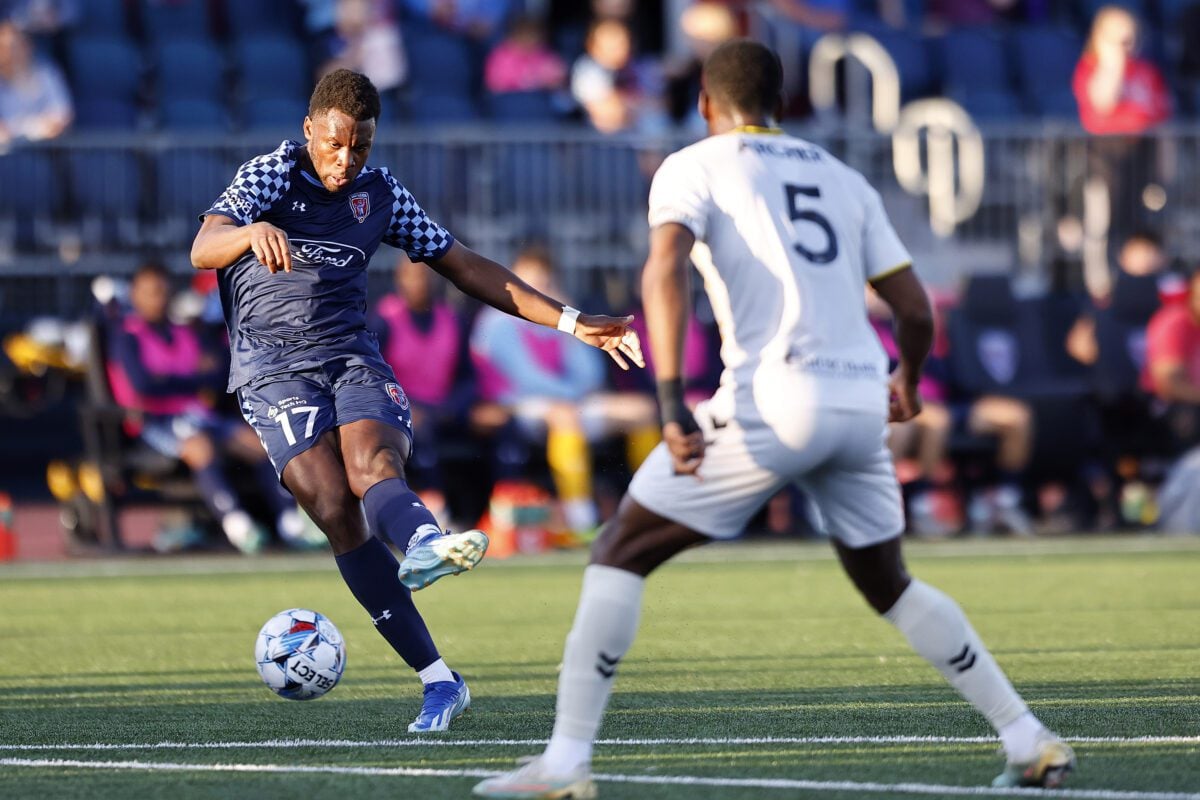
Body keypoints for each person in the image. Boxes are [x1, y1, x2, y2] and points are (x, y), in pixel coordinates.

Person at [474, 40, 1074, 798]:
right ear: (784, 107)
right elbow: (915, 308)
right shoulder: (844, 178)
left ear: (704, 106)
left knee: (620, 551)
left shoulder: (693, 164)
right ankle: (1027, 738)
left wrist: (670, 403)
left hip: (773, 402)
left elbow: (662, 270)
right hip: (860, 402)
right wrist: (910, 378)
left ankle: (564, 766)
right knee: (888, 581)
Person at [190, 69, 642, 732]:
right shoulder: (271, 175)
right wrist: (247, 235)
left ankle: (426, 542)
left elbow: (464, 265)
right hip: (272, 372)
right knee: (333, 507)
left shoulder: (380, 194)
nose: (347, 161)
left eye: (361, 148)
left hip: (350, 359)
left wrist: (573, 322)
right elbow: (204, 246)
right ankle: (440, 680)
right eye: (336, 144)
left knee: (373, 462)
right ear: (311, 130)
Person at [107, 262, 307, 554]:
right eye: (150, 292)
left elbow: (218, 377)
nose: (158, 298)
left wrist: (172, 380)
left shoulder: (186, 331)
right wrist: (191, 380)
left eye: (162, 291)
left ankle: (290, 523)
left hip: (198, 417)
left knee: (262, 444)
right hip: (153, 423)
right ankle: (238, 526)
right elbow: (143, 386)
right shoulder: (126, 337)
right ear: (135, 295)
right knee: (200, 447)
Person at [470, 246, 659, 536]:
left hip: (567, 403)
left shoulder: (560, 318)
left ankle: (651, 512)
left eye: (545, 284)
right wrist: (573, 395)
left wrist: (570, 326)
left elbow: (590, 374)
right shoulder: (496, 321)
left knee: (642, 410)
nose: (538, 290)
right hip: (515, 405)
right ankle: (580, 520)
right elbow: (527, 379)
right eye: (530, 283)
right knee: (566, 416)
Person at [370, 252, 474, 522]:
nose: (420, 283)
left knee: (502, 426)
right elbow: (373, 376)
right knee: (422, 430)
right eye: (413, 276)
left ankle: (505, 509)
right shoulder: (384, 321)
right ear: (399, 279)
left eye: (425, 276)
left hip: (446, 408)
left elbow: (467, 377)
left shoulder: (452, 319)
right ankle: (436, 509)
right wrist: (403, 407)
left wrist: (457, 406)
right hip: (405, 410)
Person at [0, 19, 71, 145]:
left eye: (14, 47)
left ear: (27, 46)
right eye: (4, 48)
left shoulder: (47, 74)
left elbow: (62, 117)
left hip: (43, 151)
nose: (10, 54)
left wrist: (26, 131)